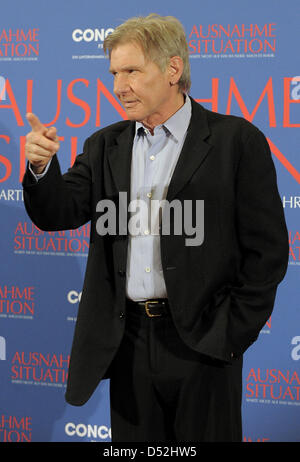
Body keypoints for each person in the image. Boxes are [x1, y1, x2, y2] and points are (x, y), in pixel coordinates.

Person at [22, 14, 289, 442]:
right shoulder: (104, 144)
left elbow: (269, 253)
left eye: (132, 71)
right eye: (114, 72)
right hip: (126, 345)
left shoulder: (236, 141)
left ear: (172, 69)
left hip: (204, 346)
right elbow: (60, 212)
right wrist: (40, 167)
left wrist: (228, 332)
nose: (118, 86)